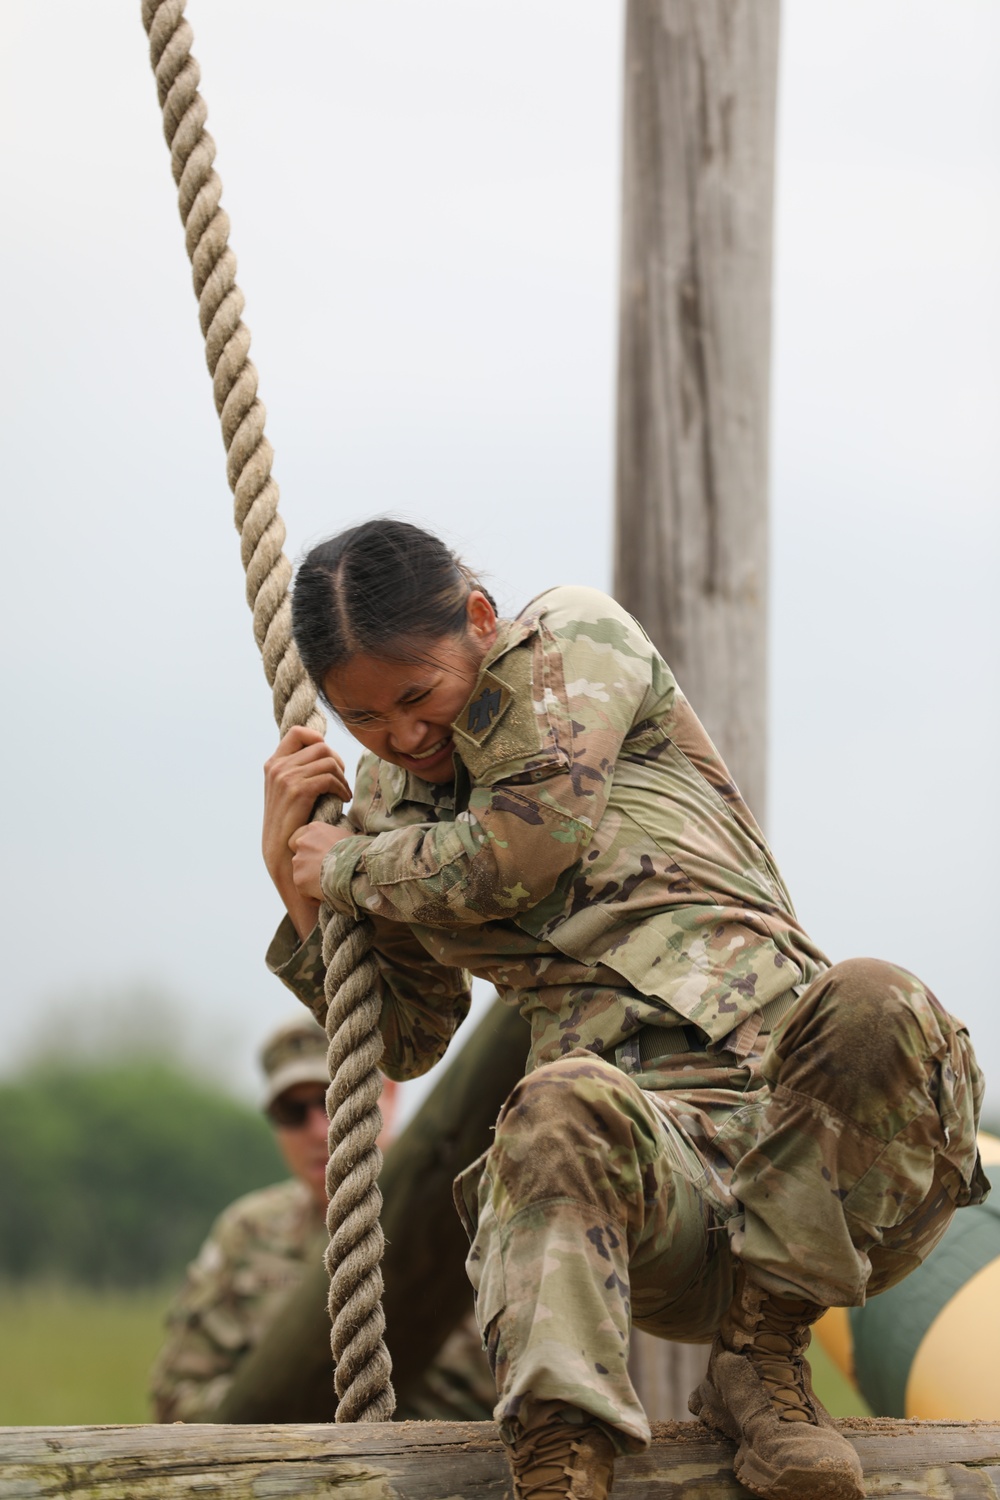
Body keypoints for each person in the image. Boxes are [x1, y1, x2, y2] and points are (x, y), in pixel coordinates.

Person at [262, 518, 988, 1500]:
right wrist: (300, 894)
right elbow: (405, 1038)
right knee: (556, 1102)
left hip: (825, 1152)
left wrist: (345, 865)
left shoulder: (568, 645)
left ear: (479, 620)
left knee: (875, 997)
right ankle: (561, 1462)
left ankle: (763, 1362)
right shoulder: (392, 819)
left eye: (415, 694)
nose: (399, 736)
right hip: (651, 1178)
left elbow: (530, 843)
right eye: (361, 721)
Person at [150, 1015, 496, 1424]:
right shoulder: (246, 1233)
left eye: (335, 1098)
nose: (318, 1129)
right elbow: (175, 1399)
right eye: (292, 1111)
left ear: (388, 1095)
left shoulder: (473, 1217)